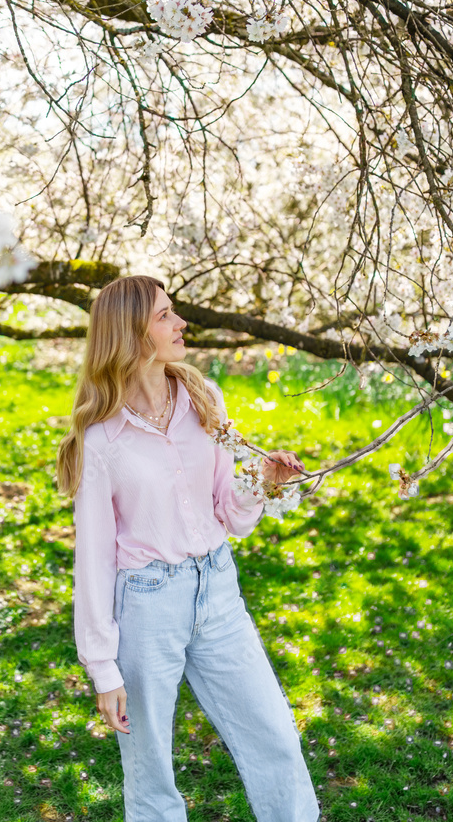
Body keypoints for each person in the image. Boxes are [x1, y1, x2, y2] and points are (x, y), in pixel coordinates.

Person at [56, 275, 321, 822]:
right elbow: (94, 561)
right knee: (150, 770)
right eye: (165, 315)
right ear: (131, 333)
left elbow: (231, 514)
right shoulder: (100, 440)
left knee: (274, 737)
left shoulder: (204, 398)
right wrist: (103, 668)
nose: (180, 324)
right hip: (147, 605)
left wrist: (262, 481)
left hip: (218, 590)